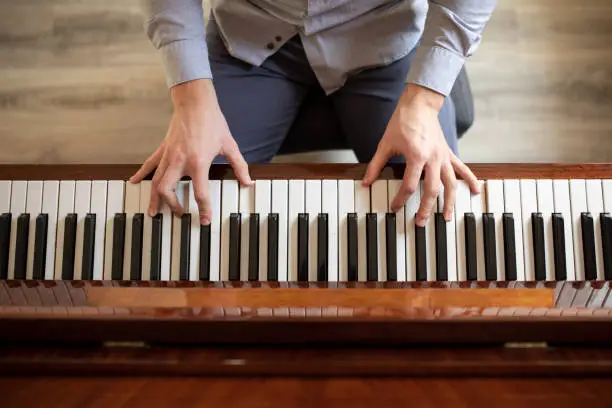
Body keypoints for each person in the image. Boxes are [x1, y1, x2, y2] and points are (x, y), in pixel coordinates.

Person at [131, 0, 497, 227]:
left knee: (427, 208)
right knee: (190, 197)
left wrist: (424, 101)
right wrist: (191, 100)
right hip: (250, 31)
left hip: (385, 37)